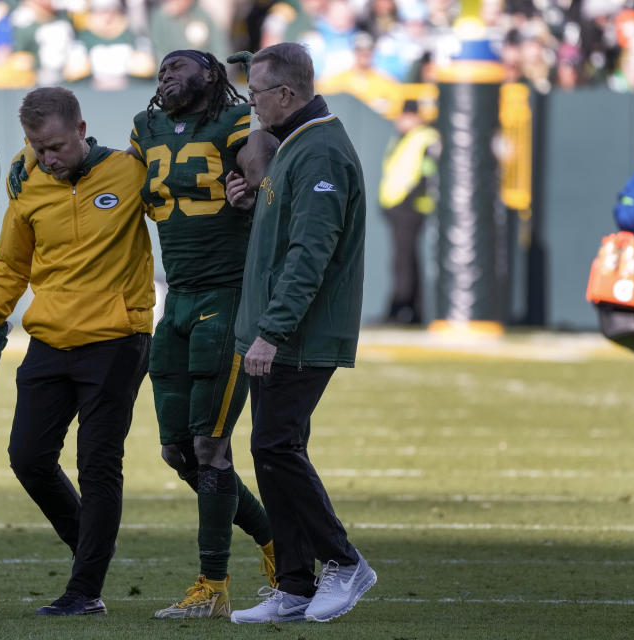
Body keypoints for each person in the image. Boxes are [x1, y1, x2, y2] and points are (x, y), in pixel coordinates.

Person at [0, 86, 153, 617]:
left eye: (57, 146)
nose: (48, 158)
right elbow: (11, 267)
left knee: (97, 464)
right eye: (37, 148)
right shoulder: (28, 184)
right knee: (28, 458)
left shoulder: (131, 173)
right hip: (49, 340)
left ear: (82, 130)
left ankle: (84, 589)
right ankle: (92, 545)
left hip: (117, 340)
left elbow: (184, 218)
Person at [225, 42, 377, 624]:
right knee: (272, 451)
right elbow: (287, 231)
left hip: (300, 335)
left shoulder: (320, 151)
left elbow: (310, 253)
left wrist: (272, 331)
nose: (250, 101)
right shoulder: (295, 145)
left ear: (286, 94)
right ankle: (293, 586)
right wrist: (250, 201)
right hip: (281, 332)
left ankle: (343, 562)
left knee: (275, 446)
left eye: (257, 91)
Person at [130, 49, 276, 619]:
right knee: (176, 450)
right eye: (162, 68)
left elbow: (264, 154)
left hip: (227, 296)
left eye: (179, 67)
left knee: (211, 447)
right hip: (179, 299)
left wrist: (252, 187)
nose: (167, 75)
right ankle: (276, 543)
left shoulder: (236, 122)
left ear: (211, 76)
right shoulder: (146, 128)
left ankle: (211, 586)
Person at [378, 99, 439, 325]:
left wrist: (407, 199)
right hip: (398, 207)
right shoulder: (405, 138)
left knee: (403, 262)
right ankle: (411, 311)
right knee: (406, 260)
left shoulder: (425, 138)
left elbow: (427, 173)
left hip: (410, 208)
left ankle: (401, 309)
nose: (399, 120)